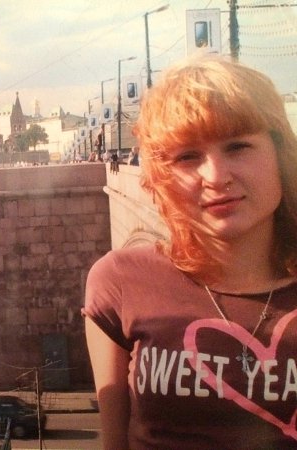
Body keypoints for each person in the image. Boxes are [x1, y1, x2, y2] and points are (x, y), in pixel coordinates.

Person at [84, 55, 297, 449]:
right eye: (187, 157)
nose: (216, 177)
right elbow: (115, 442)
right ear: (161, 177)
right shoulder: (120, 283)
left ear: (280, 154)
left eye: (238, 146)